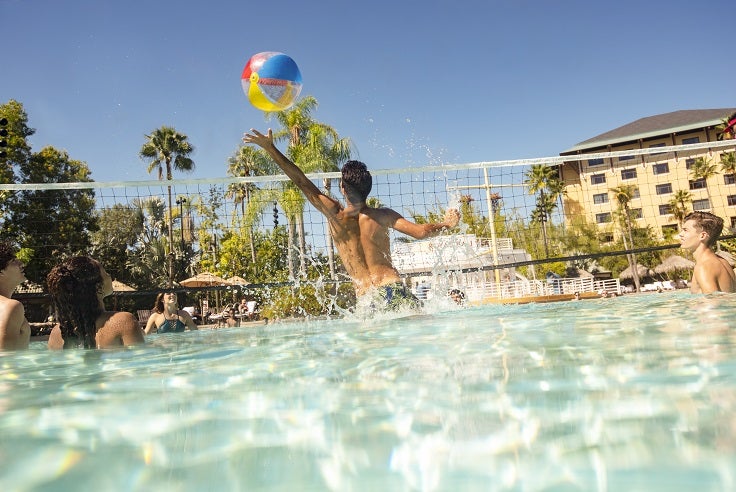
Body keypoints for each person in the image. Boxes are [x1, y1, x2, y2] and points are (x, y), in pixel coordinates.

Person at [243, 128, 459, 310]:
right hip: (393, 287)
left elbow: (301, 181)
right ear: (369, 189)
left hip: (368, 299)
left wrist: (270, 148)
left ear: (342, 188)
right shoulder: (383, 215)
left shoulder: (335, 215)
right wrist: (447, 223)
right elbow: (420, 232)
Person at [47, 256, 145, 349]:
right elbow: (140, 363)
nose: (109, 275)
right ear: (98, 286)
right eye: (105, 272)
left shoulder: (56, 334)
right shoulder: (123, 321)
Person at [678, 211, 736, 294]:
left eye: (685, 230)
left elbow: (713, 304)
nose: (680, 234)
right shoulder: (723, 262)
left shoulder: (704, 267)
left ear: (702, 236)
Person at [0, 243, 31, 350]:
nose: (21, 264)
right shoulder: (11, 307)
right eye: (13, 261)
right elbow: (6, 360)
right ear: (1, 272)